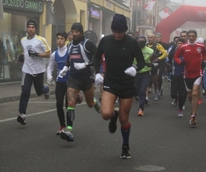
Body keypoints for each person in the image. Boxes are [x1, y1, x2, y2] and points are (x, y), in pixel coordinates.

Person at [94, 14, 146, 159]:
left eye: (120, 32)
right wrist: (98, 73)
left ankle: (125, 146)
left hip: (127, 84)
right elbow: (97, 57)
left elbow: (142, 61)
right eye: (114, 31)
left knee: (124, 119)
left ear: (125, 30)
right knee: (105, 114)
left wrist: (135, 68)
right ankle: (113, 115)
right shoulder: (105, 41)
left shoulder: (131, 42)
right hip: (111, 81)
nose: (117, 35)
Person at [58, 22, 101, 142]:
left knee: (90, 104)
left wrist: (86, 65)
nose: (74, 34)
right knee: (71, 103)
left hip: (86, 78)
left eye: (77, 32)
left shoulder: (88, 44)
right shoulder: (70, 45)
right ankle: (69, 130)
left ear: (81, 33)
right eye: (72, 32)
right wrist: (65, 68)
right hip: (73, 78)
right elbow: (69, 59)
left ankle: (95, 101)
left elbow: (98, 58)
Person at [17, 19, 51, 125]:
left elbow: (49, 53)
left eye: (32, 27)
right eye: (29, 27)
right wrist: (22, 56)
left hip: (39, 70)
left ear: (35, 29)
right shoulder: (23, 40)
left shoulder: (40, 40)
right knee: (25, 91)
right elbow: (25, 50)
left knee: (39, 91)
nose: (30, 29)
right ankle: (22, 114)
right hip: (27, 70)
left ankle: (46, 89)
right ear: (26, 28)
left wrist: (37, 54)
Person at [174, 29, 206, 127]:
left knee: (195, 93)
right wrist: (180, 62)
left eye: (193, 36)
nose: (191, 38)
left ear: (196, 37)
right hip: (187, 74)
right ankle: (194, 109)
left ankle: (193, 115)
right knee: (190, 96)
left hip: (198, 72)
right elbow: (175, 57)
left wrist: (203, 61)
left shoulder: (201, 46)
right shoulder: (183, 47)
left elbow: (204, 54)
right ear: (187, 37)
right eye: (190, 36)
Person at [46, 31, 70, 135]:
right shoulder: (54, 54)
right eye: (58, 38)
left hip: (70, 82)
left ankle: (69, 127)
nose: (59, 40)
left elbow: (73, 65)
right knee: (59, 103)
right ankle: (62, 125)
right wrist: (49, 76)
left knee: (68, 105)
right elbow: (50, 67)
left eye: (61, 39)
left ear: (65, 40)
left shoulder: (69, 52)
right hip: (59, 82)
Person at [134, 36, 153, 116]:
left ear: (145, 41)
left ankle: (141, 108)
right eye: (139, 40)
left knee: (142, 90)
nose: (141, 41)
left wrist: (152, 64)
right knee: (138, 91)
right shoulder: (133, 50)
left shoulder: (150, 51)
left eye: (143, 40)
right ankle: (141, 100)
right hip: (136, 73)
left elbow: (155, 60)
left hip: (146, 73)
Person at [168, 38, 187, 117]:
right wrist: (168, 67)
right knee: (173, 94)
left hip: (184, 76)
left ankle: (180, 110)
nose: (179, 45)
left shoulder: (186, 53)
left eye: (181, 43)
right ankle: (176, 98)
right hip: (174, 74)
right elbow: (169, 61)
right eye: (178, 43)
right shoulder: (173, 53)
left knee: (182, 93)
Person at [146, 33, 167, 101]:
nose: (149, 39)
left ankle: (156, 92)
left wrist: (158, 58)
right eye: (148, 37)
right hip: (147, 65)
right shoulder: (145, 45)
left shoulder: (157, 45)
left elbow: (165, 53)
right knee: (147, 80)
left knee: (155, 81)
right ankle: (146, 96)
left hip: (155, 65)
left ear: (154, 38)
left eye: (151, 37)